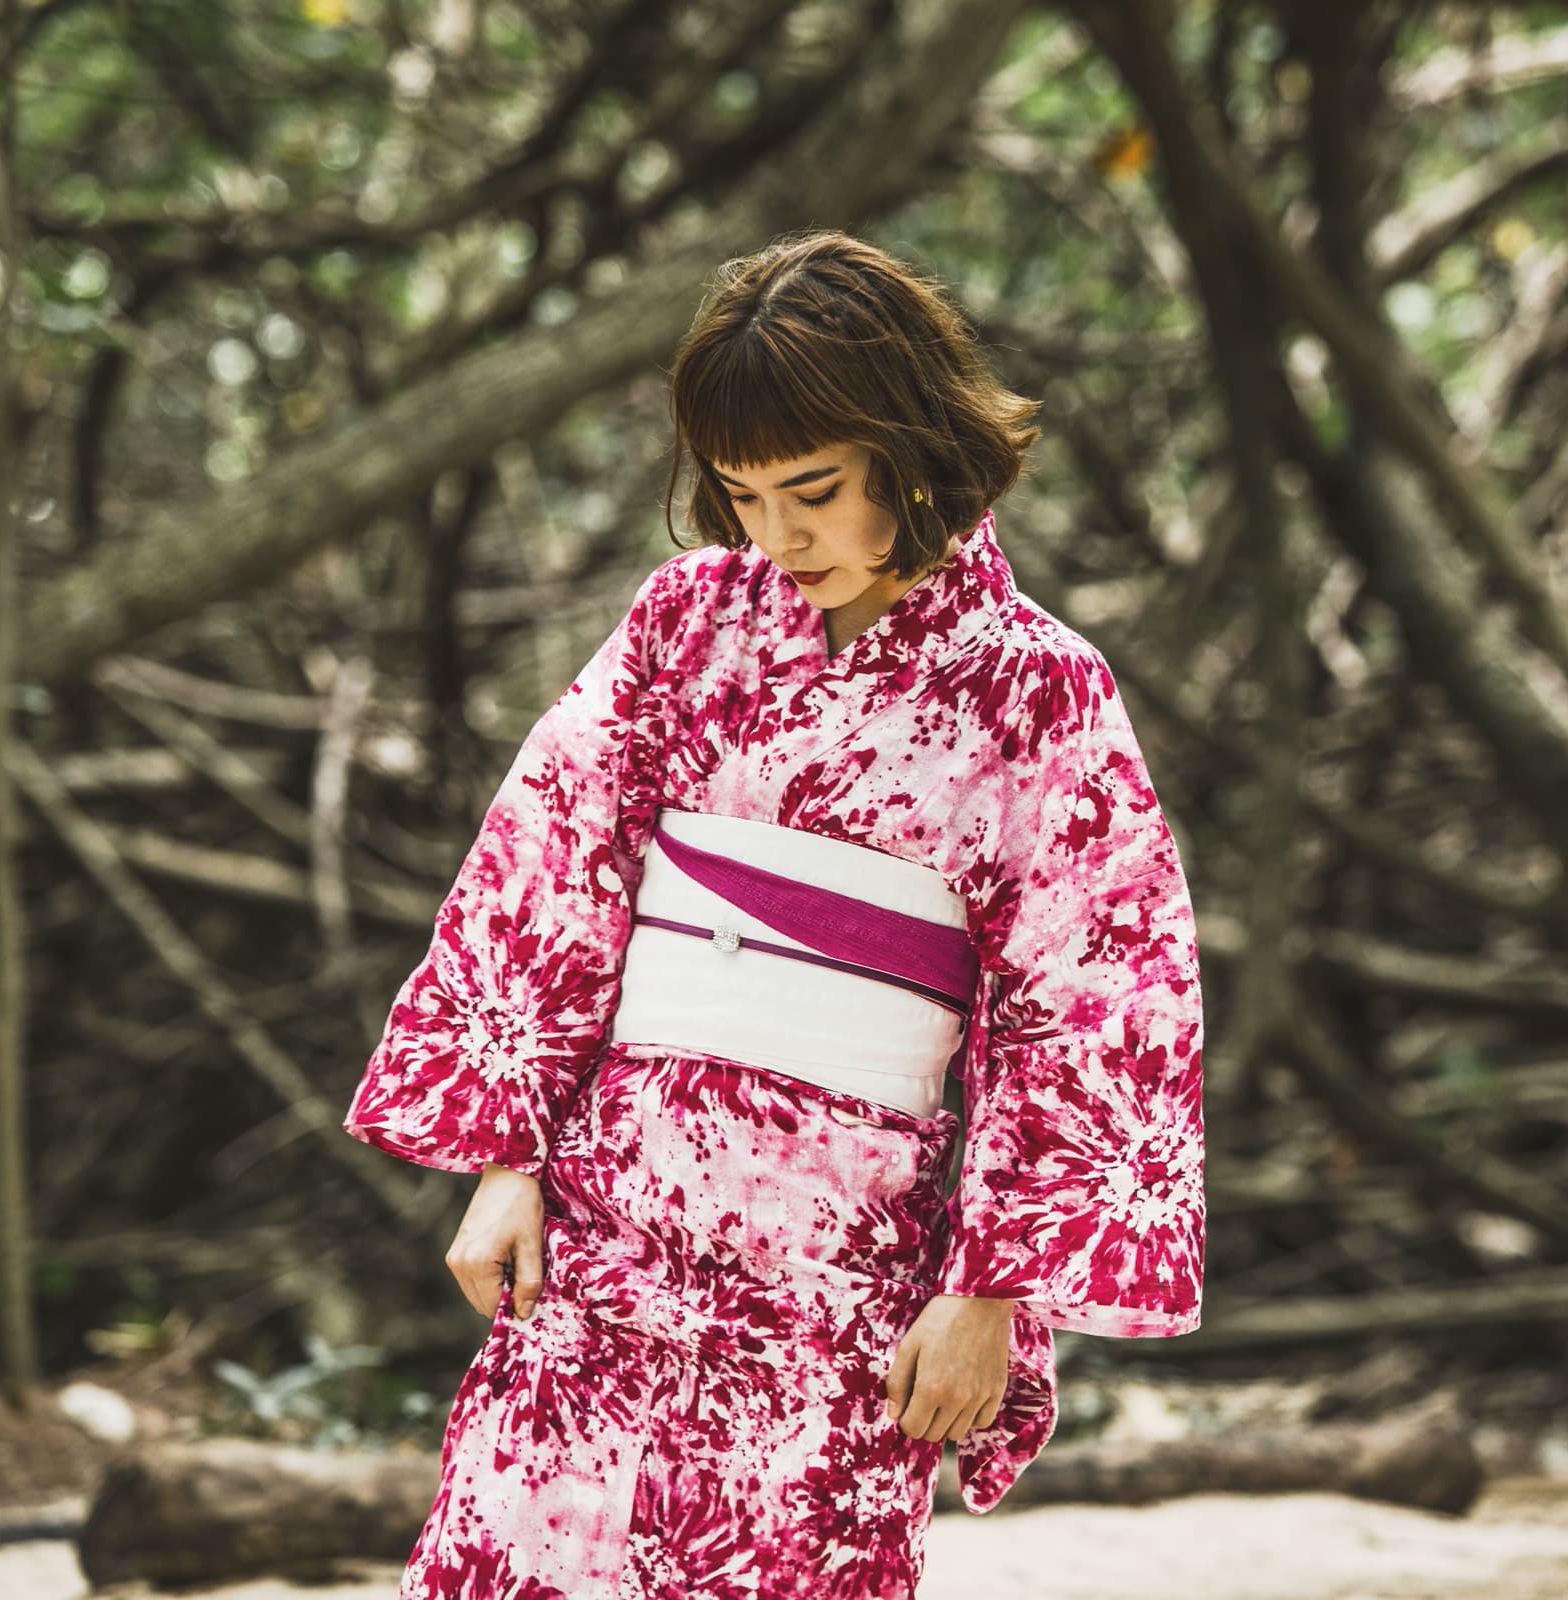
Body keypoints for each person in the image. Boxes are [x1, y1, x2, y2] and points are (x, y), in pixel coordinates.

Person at [341, 228, 1205, 1600]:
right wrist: (507, 1159)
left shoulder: (1042, 691)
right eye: (742, 494)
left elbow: (1090, 1006)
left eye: (815, 488)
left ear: (916, 446)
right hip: (611, 1211)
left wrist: (988, 1293)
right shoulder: (686, 622)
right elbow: (558, 864)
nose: (777, 534)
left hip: (843, 1258)